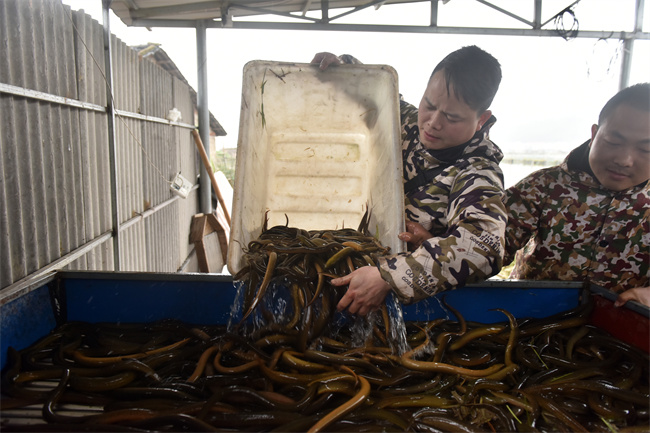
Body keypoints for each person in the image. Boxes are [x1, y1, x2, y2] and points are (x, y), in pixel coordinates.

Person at [312, 46, 507, 316]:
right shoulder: (405, 122)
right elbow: (374, 89)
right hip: (349, 271)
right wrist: (342, 66)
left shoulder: (478, 172)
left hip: (409, 307)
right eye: (428, 105)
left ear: (481, 120)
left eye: (451, 117)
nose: (433, 123)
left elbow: (484, 247)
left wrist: (390, 276)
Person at [502, 83, 650, 308]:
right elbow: (488, 246)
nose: (624, 160)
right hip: (527, 319)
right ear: (594, 134)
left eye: (645, 149)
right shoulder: (543, 186)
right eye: (614, 142)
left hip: (617, 332)